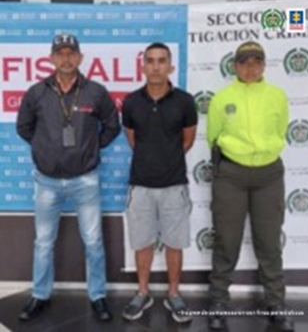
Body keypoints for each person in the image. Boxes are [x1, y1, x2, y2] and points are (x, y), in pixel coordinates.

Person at [16, 33, 120, 322]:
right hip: (46, 180)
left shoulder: (95, 92)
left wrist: (91, 148)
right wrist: (45, 148)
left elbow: (112, 125)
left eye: (71, 53)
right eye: (60, 53)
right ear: (51, 58)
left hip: (85, 179)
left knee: (93, 241)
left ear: (80, 58)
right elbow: (23, 128)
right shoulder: (36, 92)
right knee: (43, 242)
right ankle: (40, 294)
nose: (66, 58)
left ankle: (98, 296)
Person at [206, 41, 294, 331]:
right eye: (245, 62)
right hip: (231, 175)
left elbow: (280, 131)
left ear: (264, 65)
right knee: (226, 240)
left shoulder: (277, 96)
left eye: (257, 61)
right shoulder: (222, 98)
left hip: (269, 175)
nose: (251, 67)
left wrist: (265, 151)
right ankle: (218, 301)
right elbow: (213, 136)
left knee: (269, 242)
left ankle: (275, 304)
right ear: (235, 66)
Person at [121, 42, 198, 323]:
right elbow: (133, 139)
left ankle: (174, 294)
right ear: (143, 66)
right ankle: (143, 292)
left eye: (161, 61)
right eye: (150, 61)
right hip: (140, 185)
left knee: (174, 243)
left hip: (174, 185)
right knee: (142, 243)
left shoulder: (185, 101)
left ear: (171, 66)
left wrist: (166, 158)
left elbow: (186, 141)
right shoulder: (131, 102)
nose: (155, 66)